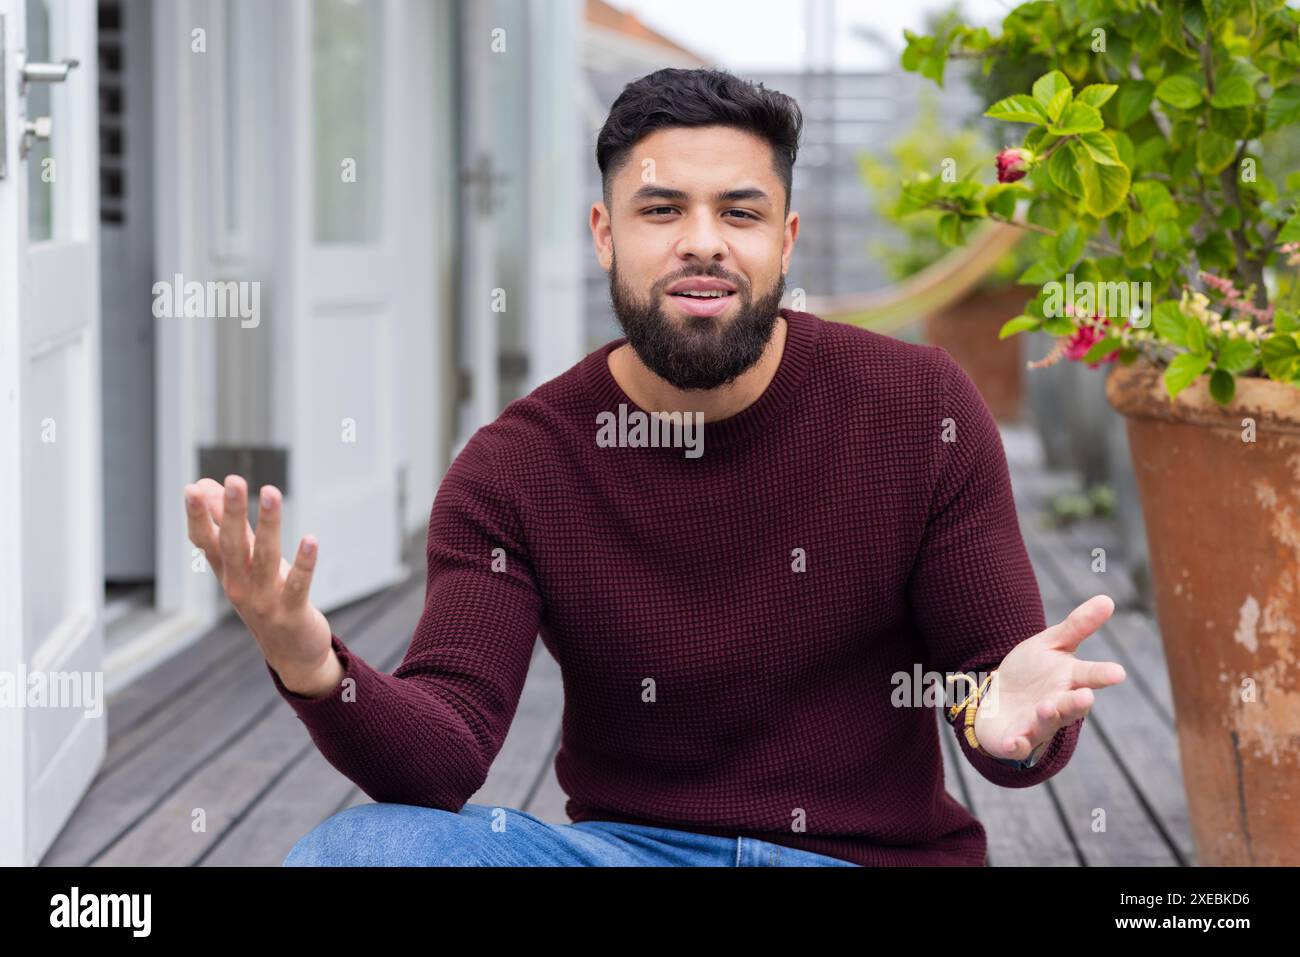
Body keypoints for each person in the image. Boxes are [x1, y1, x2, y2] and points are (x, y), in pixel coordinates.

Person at [183, 67, 1125, 867]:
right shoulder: (517, 466)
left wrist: (1005, 724)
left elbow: (994, 696)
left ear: (786, 241)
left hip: (861, 859)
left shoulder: (920, 408)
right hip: (630, 852)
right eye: (663, 208)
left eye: (740, 212)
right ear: (605, 235)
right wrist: (311, 663)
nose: (703, 240)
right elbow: (445, 753)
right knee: (360, 853)